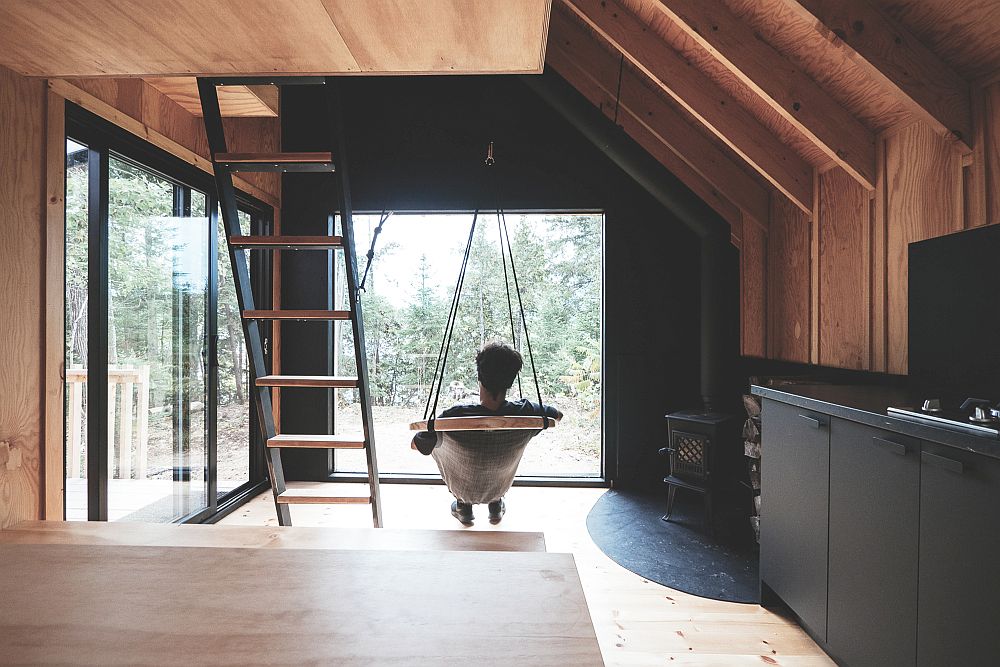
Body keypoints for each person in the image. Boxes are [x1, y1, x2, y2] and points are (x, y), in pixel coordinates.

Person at [412, 341, 562, 525]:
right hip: (499, 485)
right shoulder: (525, 411)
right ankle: (495, 504)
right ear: (510, 381)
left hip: (462, 487)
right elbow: (557, 415)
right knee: (494, 461)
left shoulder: (454, 416)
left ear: (479, 378)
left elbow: (417, 445)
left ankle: (463, 507)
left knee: (440, 444)